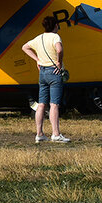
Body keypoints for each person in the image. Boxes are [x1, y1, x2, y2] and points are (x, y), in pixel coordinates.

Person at [22, 15, 70, 143]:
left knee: (41, 104)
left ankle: (39, 134)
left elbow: (25, 47)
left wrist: (37, 59)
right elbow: (59, 50)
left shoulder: (39, 38)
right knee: (54, 104)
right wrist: (59, 63)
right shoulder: (55, 37)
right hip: (54, 72)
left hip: (42, 72)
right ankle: (56, 134)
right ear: (56, 26)